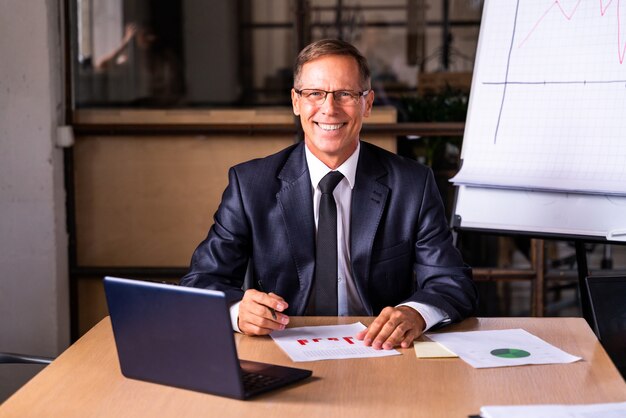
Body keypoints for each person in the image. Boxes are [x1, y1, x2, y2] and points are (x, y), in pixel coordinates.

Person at [180, 39, 477, 350]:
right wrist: (237, 311)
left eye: (345, 94)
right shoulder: (250, 184)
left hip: (380, 350)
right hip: (282, 346)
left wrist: (414, 313)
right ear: (296, 102)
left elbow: (452, 283)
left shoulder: (412, 184)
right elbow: (201, 281)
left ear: (368, 103)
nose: (329, 108)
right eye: (314, 94)